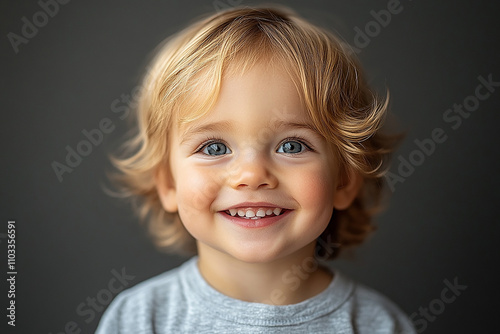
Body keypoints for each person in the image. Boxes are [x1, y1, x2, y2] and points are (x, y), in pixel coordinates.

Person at [96, 4, 416, 333]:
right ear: (168, 184)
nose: (251, 174)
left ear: (344, 180)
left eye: (291, 146)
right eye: (214, 148)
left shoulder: (377, 325)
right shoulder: (139, 319)